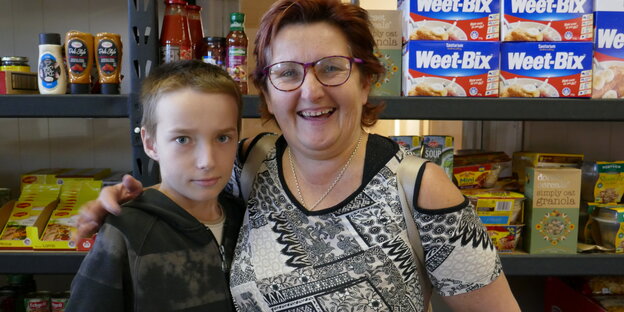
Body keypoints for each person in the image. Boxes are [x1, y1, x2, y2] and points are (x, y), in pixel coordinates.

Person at [76, 0, 521, 311]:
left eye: (331, 68)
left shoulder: (422, 190)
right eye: (287, 73)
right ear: (267, 93)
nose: (311, 90)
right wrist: (121, 206)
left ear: (366, 81)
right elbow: (189, 185)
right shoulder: (250, 163)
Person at [67, 60, 244, 311]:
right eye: (183, 139)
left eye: (223, 137)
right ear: (150, 143)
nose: (207, 161)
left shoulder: (247, 218)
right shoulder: (127, 231)